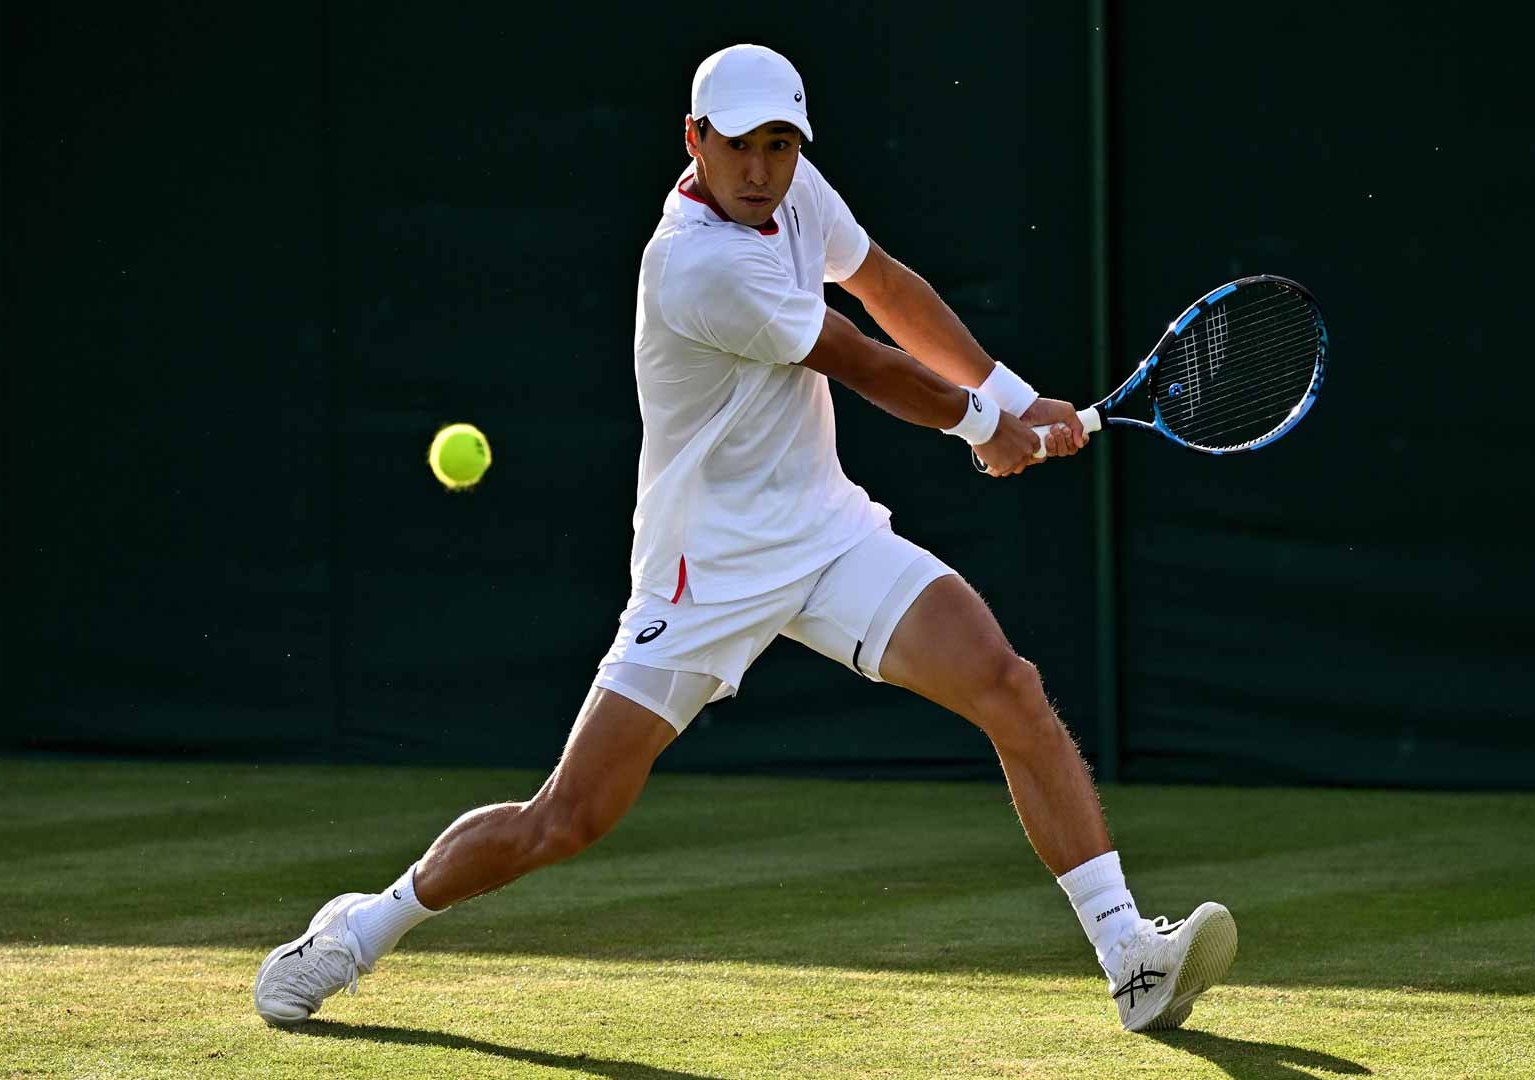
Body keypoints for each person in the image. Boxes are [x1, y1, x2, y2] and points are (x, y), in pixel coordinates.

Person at [253, 43, 1234, 1035]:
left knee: (1007, 685)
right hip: (701, 574)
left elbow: (883, 285)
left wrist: (1015, 397)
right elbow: (854, 357)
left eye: (780, 145)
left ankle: (1130, 958)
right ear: (694, 142)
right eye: (740, 148)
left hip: (824, 534)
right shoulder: (697, 266)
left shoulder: (797, 193)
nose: (763, 170)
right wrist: (988, 429)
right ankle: (358, 931)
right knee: (567, 819)